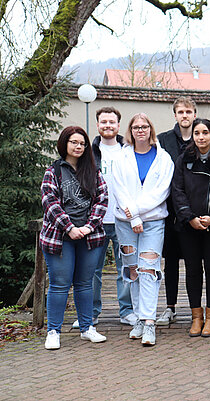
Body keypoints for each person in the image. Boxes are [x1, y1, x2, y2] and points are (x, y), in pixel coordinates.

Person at [41, 126, 108, 350]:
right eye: (74, 142)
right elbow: (50, 202)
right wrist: (69, 228)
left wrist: (88, 227)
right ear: (64, 144)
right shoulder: (54, 171)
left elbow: (102, 200)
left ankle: (87, 328)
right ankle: (53, 331)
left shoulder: (93, 171)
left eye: (82, 143)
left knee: (84, 284)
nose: (78, 147)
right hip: (60, 237)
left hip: (89, 237)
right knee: (59, 284)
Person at [72, 107, 136, 330]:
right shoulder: (88, 152)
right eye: (103, 122)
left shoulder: (129, 150)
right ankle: (91, 313)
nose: (108, 125)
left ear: (119, 125)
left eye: (112, 122)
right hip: (95, 221)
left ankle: (127, 311)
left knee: (126, 268)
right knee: (92, 271)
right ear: (97, 125)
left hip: (123, 219)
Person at [171, 118, 210, 337]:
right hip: (188, 226)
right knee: (192, 271)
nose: (201, 137)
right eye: (197, 133)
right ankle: (196, 317)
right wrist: (189, 217)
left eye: (205, 133)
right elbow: (177, 190)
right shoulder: (184, 159)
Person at [113, 113, 174, 346]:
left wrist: (137, 213)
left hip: (153, 221)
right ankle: (139, 317)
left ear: (151, 129)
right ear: (130, 130)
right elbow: (118, 189)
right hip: (125, 222)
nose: (140, 130)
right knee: (132, 270)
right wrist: (132, 216)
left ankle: (149, 322)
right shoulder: (121, 157)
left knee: (148, 269)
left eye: (145, 126)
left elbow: (161, 192)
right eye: (136, 127)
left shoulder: (163, 158)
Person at [156, 97, 196, 326]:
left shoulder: (202, 136)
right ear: (175, 115)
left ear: (193, 114)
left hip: (194, 209)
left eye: (188, 111)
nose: (184, 115)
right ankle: (170, 306)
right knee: (170, 261)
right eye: (180, 111)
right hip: (170, 210)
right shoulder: (163, 140)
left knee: (193, 261)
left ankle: (196, 308)